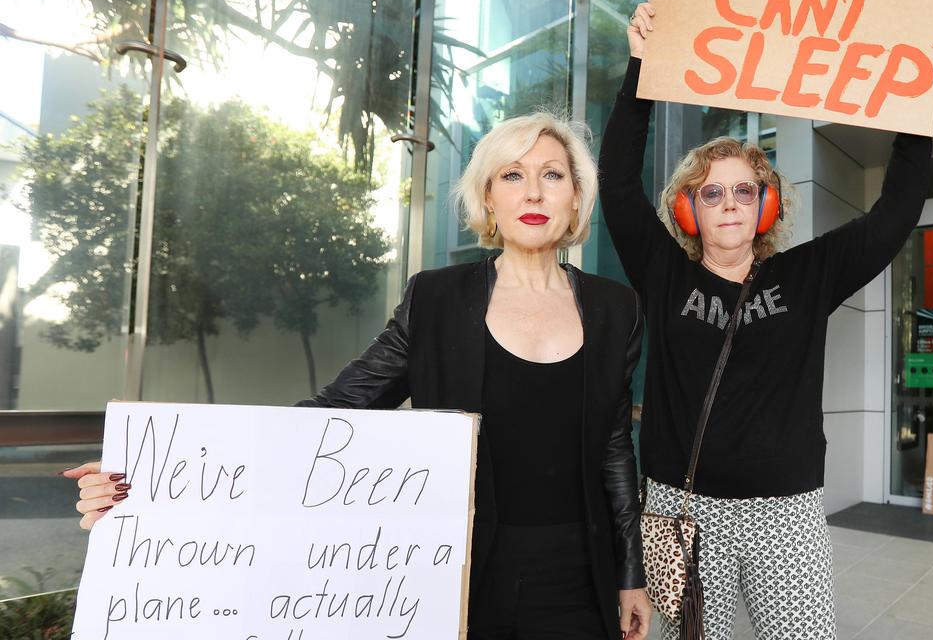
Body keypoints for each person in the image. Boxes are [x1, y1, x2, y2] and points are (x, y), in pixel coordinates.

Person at [62, 113, 653, 640]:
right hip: (455, 574)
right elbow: (334, 410)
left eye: (552, 175)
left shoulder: (616, 308)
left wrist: (631, 573)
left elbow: (612, 446)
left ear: (577, 199)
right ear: (489, 199)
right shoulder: (436, 300)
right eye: (512, 175)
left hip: (580, 573)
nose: (533, 192)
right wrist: (146, 477)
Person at [602, 0, 933, 639]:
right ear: (689, 211)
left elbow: (895, 212)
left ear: (767, 204)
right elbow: (619, 185)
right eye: (711, 192)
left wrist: (920, 106)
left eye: (745, 189)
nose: (730, 203)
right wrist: (640, 69)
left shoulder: (806, 275)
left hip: (785, 513)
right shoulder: (664, 273)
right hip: (681, 509)